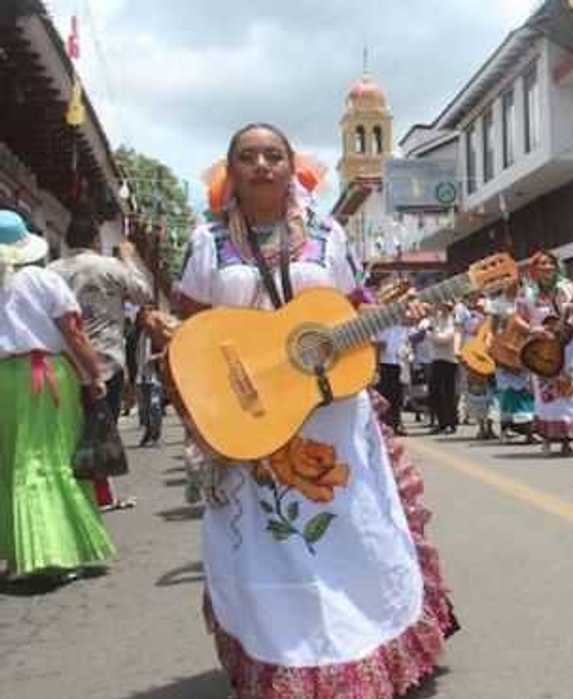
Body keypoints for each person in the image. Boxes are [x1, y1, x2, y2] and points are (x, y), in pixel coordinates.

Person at [175, 123, 454, 697]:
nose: (261, 165)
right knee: (266, 546)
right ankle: (286, 663)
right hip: (248, 423)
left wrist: (384, 318)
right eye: (247, 156)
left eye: (272, 155)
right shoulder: (207, 241)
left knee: (352, 536)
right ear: (231, 170)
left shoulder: (328, 234)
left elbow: (349, 310)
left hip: (330, 414)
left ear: (290, 165)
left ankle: (364, 655)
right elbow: (189, 328)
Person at [0, 209, 116, 583]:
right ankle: (51, 552)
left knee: (12, 462)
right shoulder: (41, 280)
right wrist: (93, 374)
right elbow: (73, 332)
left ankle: (18, 550)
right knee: (47, 456)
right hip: (44, 375)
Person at [48, 214, 150, 511]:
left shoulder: (52, 271)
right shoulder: (109, 267)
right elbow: (142, 293)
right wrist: (129, 259)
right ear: (96, 239)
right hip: (106, 360)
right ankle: (98, 496)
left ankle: (83, 493)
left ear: (67, 240)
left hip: (64, 361)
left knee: (71, 429)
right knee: (103, 427)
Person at [516, 251, 573, 456]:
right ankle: (547, 438)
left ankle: (567, 440)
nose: (547, 267)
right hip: (543, 348)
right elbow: (517, 319)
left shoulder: (567, 287)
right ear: (534, 269)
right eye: (541, 264)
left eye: (550, 263)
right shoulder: (527, 292)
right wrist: (533, 329)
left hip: (569, 347)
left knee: (572, 391)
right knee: (548, 396)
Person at [486, 283, 536, 442]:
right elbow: (493, 330)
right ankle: (505, 430)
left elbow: (531, 325)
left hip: (524, 349)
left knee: (527, 391)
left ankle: (529, 432)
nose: (513, 286)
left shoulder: (526, 300)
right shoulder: (497, 304)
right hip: (504, 350)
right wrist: (497, 348)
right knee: (506, 392)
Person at [133, 306, 168, 447]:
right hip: (141, 376)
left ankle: (156, 435)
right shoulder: (134, 335)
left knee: (155, 406)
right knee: (145, 408)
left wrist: (156, 357)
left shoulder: (158, 333)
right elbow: (131, 356)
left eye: (147, 317)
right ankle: (148, 432)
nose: (145, 320)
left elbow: (167, 348)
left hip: (155, 375)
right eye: (142, 317)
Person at [426, 304, 460, 435]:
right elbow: (427, 331)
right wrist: (432, 326)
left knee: (448, 393)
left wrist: (432, 333)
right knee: (435, 392)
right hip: (436, 359)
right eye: (442, 306)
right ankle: (441, 422)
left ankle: (451, 422)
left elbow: (443, 339)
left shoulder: (453, 322)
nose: (442, 309)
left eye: (446, 307)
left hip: (449, 360)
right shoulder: (437, 320)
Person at [376, 320, 411, 435]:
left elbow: (406, 344)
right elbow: (376, 344)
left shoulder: (403, 328)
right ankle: (384, 424)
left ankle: (397, 423)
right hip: (384, 363)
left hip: (398, 364)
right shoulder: (381, 325)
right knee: (384, 395)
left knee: (397, 396)